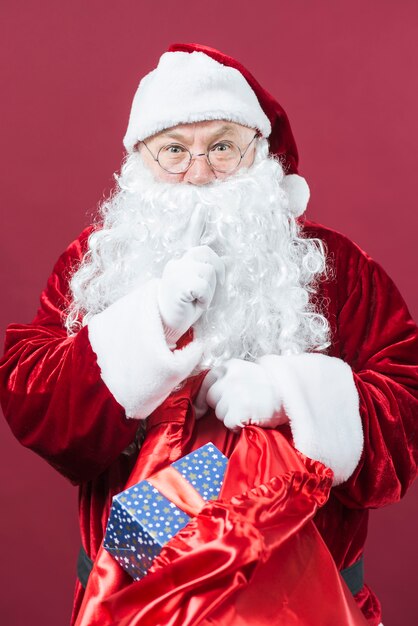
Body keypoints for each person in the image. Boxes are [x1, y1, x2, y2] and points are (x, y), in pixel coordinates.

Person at [1, 42, 417, 626]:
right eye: (174, 150)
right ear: (140, 159)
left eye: (222, 147)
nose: (197, 173)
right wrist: (150, 326)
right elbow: (32, 401)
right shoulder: (96, 261)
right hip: (138, 572)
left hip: (303, 584)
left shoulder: (334, 266)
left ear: (259, 153)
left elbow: (407, 405)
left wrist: (288, 396)